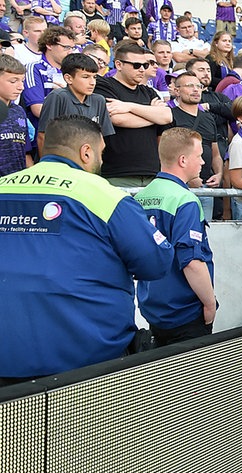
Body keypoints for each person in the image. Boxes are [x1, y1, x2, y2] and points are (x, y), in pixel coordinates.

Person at [0, 115, 172, 383]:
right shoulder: (102, 194)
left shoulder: (4, 186)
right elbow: (156, 261)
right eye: (101, 153)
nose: (101, 161)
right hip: (84, 360)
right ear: (86, 151)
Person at [133, 127, 215, 345]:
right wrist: (210, 304)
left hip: (154, 311)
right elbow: (192, 263)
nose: (203, 162)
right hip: (185, 313)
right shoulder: (185, 200)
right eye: (199, 156)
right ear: (183, 160)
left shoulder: (140, 198)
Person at [96, 42, 174, 187]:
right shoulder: (104, 86)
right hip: (118, 172)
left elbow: (167, 117)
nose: (142, 70)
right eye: (136, 65)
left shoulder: (148, 91)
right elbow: (117, 119)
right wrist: (152, 115)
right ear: (119, 65)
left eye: (145, 65)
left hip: (151, 173)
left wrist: (128, 106)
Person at [38, 52, 112, 149]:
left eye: (94, 77)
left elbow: (101, 137)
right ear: (68, 78)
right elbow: (43, 136)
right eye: (85, 77)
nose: (92, 82)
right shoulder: (58, 97)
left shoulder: (99, 100)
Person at [0, 55, 31, 177]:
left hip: (15, 183)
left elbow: (25, 152)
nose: (20, 87)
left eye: (22, 81)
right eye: (13, 81)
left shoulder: (19, 111)